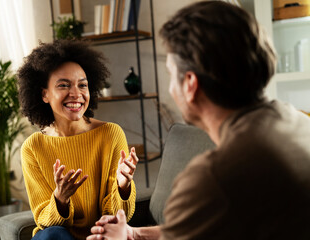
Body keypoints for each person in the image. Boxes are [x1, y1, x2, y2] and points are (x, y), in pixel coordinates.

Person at [87, 1, 310, 239]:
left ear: (190, 84)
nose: (171, 88)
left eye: (171, 74)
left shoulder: (212, 178)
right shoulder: (299, 123)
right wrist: (134, 234)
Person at [17, 40, 138, 240]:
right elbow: (43, 221)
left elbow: (117, 218)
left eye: (82, 85)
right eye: (63, 85)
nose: (76, 94)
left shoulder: (110, 134)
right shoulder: (33, 147)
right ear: (44, 94)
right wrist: (60, 198)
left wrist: (123, 186)